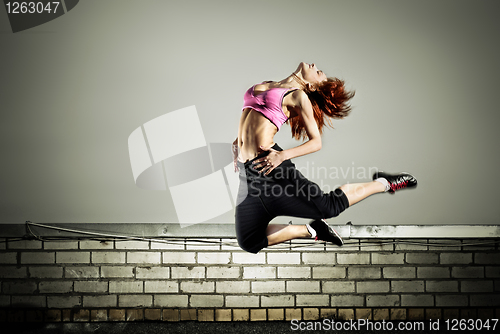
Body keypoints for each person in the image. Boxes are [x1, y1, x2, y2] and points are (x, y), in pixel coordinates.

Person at [233, 62, 417, 254]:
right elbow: (254, 116)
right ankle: (312, 230)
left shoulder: (298, 96)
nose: (315, 66)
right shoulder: (269, 84)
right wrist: (238, 141)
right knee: (249, 240)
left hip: (272, 166)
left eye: (319, 73)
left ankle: (384, 183)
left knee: (329, 207)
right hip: (249, 173)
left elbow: (316, 142)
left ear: (311, 87)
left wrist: (283, 155)